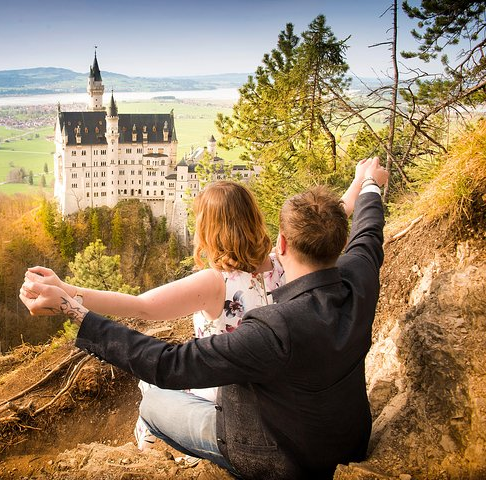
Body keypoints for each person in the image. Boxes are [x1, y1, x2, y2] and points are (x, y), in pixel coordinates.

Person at [20, 157, 388, 479]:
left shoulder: (232, 295)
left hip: (273, 444)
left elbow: (145, 314)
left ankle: (151, 455)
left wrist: (70, 301)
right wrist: (365, 183)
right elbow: (355, 231)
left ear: (284, 241)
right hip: (347, 436)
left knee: (151, 397)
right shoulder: (352, 278)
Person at [25, 181, 285, 451]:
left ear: (209, 230)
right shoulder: (282, 263)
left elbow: (141, 306)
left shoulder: (216, 282)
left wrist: (68, 292)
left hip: (230, 401)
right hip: (279, 394)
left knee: (151, 385)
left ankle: (147, 455)